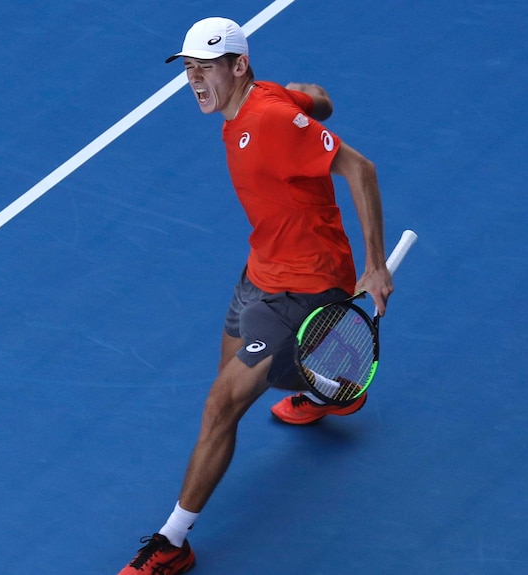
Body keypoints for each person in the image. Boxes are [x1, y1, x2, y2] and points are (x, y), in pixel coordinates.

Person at [116, 17, 393, 575]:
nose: (194, 82)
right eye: (189, 71)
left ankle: (173, 543)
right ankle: (329, 389)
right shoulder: (260, 101)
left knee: (222, 406)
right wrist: (314, 106)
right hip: (260, 271)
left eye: (205, 70)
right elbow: (315, 98)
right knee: (232, 383)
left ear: (238, 65)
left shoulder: (267, 120)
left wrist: (376, 264)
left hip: (307, 285)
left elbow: (360, 168)